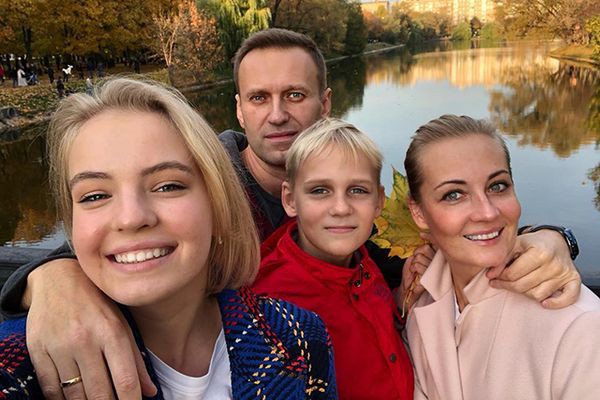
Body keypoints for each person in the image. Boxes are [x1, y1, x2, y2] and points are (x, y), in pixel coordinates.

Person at [0, 28, 582, 398]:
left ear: (326, 103)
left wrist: (548, 237)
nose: (277, 115)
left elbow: (450, 221)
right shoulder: (208, 183)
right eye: (259, 98)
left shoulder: (301, 321)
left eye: (295, 96)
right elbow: (117, 237)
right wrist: (53, 277)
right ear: (239, 109)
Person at [0, 77, 337, 399]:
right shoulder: (18, 367)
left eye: (167, 186)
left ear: (218, 205)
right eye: (95, 196)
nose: (131, 218)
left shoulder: (300, 337)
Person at [403, 115, 600, 400]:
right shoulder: (421, 311)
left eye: (497, 186)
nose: (487, 212)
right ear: (418, 212)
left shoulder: (579, 326)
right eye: (454, 195)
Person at [253, 118, 429, 399]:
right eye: (319, 191)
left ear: (378, 201)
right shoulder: (269, 306)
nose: (340, 208)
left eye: (357, 190)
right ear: (290, 200)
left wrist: (400, 299)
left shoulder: (361, 260)